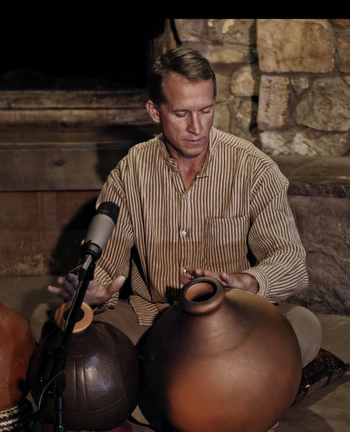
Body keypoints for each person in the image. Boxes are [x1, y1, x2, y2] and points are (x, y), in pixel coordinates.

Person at [43, 46, 322, 429]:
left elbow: (290, 260)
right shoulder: (130, 174)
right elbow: (105, 262)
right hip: (150, 320)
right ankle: (213, 394)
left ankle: (162, 393)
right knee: (52, 328)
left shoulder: (253, 169)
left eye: (206, 110)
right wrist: (96, 290)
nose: (197, 127)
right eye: (182, 113)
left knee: (304, 325)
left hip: (234, 326)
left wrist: (249, 281)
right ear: (155, 111)